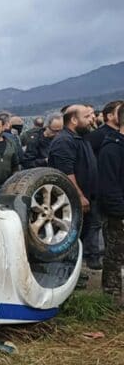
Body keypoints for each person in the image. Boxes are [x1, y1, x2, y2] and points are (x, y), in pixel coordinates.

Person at [48, 104, 101, 269]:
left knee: (81, 237)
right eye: (86, 117)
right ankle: (64, 273)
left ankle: (76, 271)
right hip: (70, 201)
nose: (90, 120)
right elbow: (66, 172)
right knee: (68, 239)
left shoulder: (80, 138)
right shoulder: (64, 141)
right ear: (73, 119)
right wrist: (79, 196)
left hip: (87, 198)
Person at [99, 104, 124, 302]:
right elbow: (110, 186)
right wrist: (120, 213)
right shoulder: (112, 149)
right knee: (115, 256)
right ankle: (112, 298)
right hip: (117, 214)